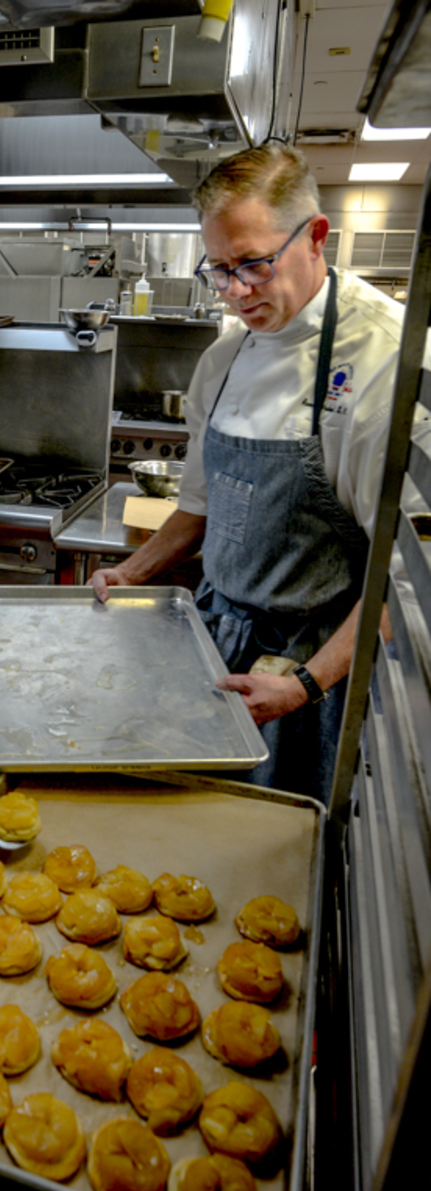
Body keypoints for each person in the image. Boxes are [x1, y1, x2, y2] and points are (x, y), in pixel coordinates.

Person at [91, 143, 405, 802]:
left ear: (315, 236)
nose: (236, 293)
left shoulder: (385, 363)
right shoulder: (226, 357)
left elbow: (399, 582)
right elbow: (199, 508)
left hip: (317, 676)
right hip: (216, 648)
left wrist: (304, 683)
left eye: (254, 265)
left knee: (278, 849)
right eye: (221, 270)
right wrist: (133, 570)